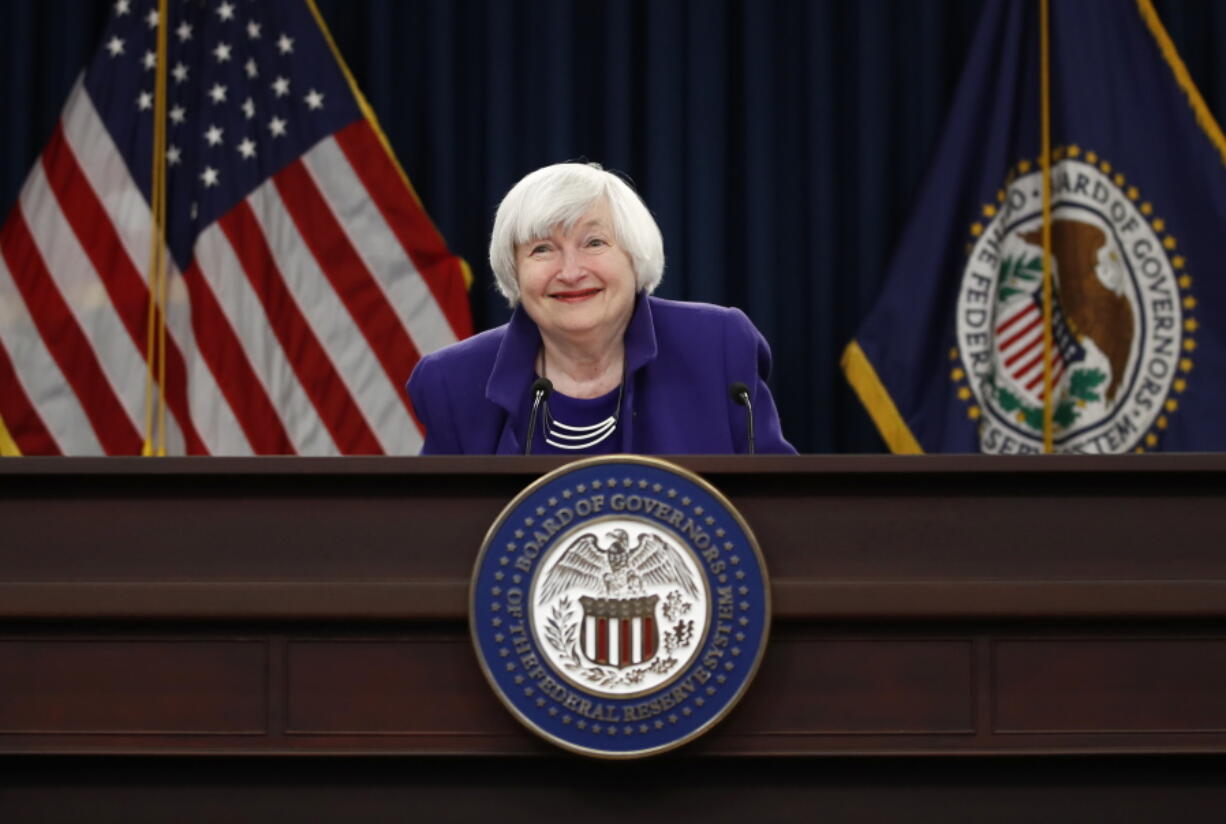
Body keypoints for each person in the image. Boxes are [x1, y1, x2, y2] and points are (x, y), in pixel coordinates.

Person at [406, 161, 795, 455]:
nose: (571, 272)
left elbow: (782, 508)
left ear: (634, 254)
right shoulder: (451, 381)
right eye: (541, 249)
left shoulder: (718, 347)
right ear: (514, 271)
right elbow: (439, 541)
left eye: (594, 243)